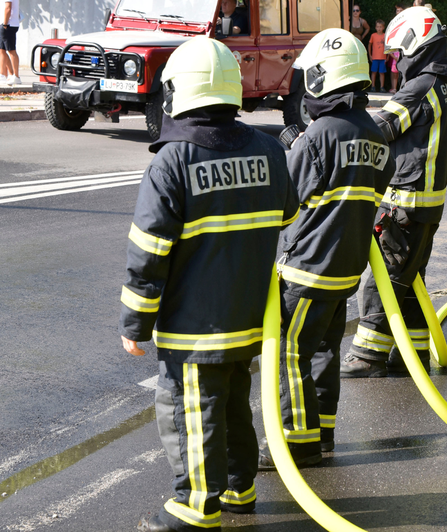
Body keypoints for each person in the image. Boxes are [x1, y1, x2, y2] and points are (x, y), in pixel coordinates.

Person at [120, 37, 299, 532]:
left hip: (194, 325)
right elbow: (289, 212)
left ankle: (195, 508)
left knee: (190, 409)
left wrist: (135, 323)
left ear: (177, 91)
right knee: (236, 403)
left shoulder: (171, 163)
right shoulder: (268, 149)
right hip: (249, 321)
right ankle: (240, 489)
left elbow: (148, 252)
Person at [257, 28, 395, 468]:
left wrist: (290, 149)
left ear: (322, 78)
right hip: (346, 270)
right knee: (324, 351)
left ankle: (297, 443)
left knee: (290, 353)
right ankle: (324, 434)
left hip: (305, 268)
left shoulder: (319, 136)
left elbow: (286, 200)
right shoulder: (376, 136)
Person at [340, 5, 447, 378]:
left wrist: (339, 126)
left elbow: (383, 127)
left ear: (415, 41)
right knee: (410, 282)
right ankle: (413, 354)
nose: (395, 62)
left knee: (383, 280)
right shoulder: (442, 81)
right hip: (427, 205)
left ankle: (367, 356)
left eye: (397, 53)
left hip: (406, 203)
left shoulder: (421, 86)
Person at [0, 0, 20, 86]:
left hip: (9, 25)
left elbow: (8, 8)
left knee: (11, 50)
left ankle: (16, 76)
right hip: (6, 24)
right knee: (2, 50)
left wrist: (5, 24)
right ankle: (4, 75)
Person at [369, 19, 387, 93]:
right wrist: (370, 55)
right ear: (375, 28)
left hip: (383, 58)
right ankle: (373, 86)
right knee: (374, 72)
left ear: (383, 27)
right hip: (375, 57)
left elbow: (387, 46)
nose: (379, 28)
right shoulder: (373, 35)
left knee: (382, 73)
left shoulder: (385, 35)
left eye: (380, 27)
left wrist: (388, 56)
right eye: (377, 27)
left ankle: (382, 87)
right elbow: (369, 45)